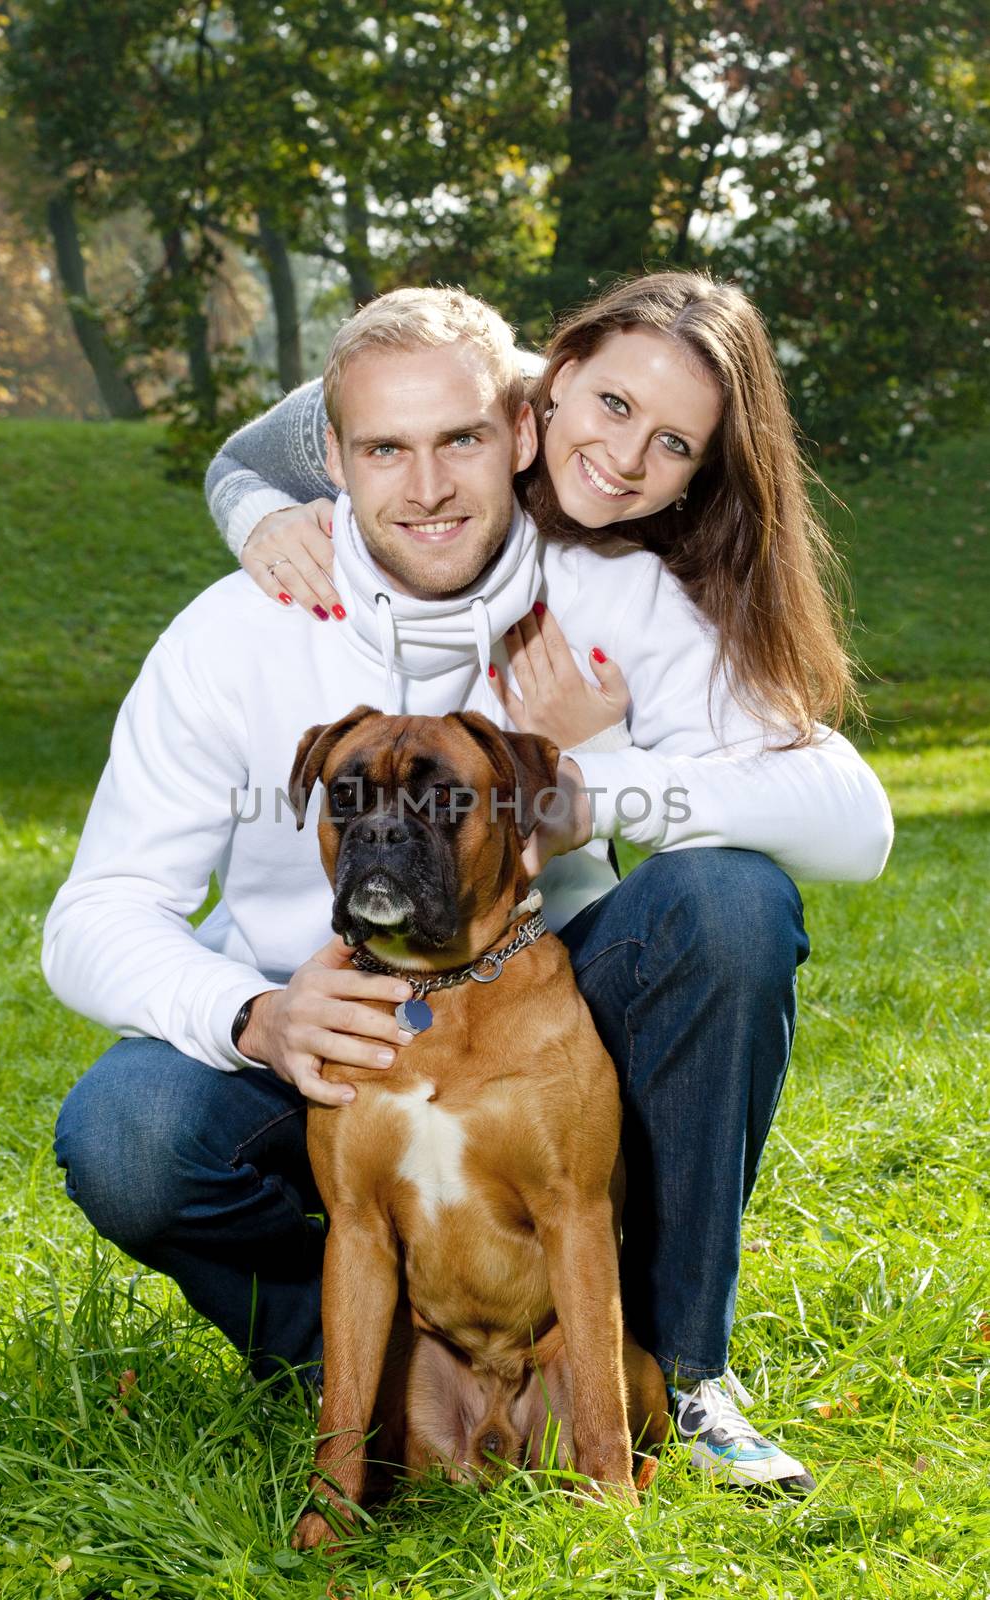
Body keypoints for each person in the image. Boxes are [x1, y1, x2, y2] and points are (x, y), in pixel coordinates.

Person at [47, 286, 892, 1501]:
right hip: (326, 1039)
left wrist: (591, 787)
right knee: (124, 1131)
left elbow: (850, 818)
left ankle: (675, 1368)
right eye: (384, 449)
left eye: (459, 441)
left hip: (537, 1005)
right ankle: (365, 1367)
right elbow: (94, 914)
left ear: (518, 431)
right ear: (332, 459)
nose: (427, 486)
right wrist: (254, 1016)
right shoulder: (232, 633)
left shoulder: (610, 593)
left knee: (728, 906)